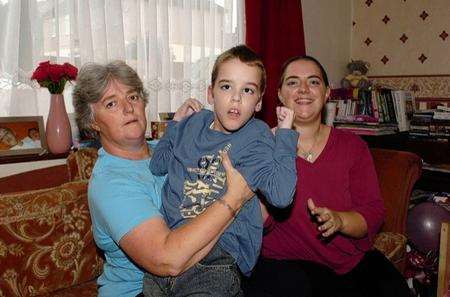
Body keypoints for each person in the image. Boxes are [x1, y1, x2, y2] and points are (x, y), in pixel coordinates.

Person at [72, 60, 254, 297]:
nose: (128, 108)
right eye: (111, 103)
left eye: (133, 97)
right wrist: (234, 199)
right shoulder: (110, 183)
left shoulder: (170, 149)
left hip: (204, 273)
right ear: (92, 121)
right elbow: (169, 261)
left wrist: (183, 129)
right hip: (139, 291)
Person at [243, 55, 411, 297]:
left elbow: (373, 213)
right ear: (279, 94)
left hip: (348, 262)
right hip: (286, 265)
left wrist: (340, 220)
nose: (303, 89)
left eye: (313, 82)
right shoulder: (262, 146)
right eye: (292, 82)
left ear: (327, 93)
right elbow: (255, 223)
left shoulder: (353, 146)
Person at [144, 45, 299, 296]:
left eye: (247, 90)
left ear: (259, 102)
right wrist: (176, 124)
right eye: (226, 86)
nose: (236, 98)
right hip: (168, 253)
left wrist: (285, 134)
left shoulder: (256, 137)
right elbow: (158, 164)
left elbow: (281, 196)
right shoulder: (192, 125)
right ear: (210, 93)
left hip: (216, 260)